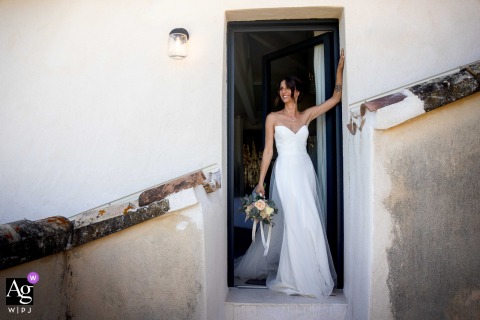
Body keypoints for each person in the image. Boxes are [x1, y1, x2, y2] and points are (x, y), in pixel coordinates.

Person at [235, 49, 345, 298]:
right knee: (293, 219)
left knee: (309, 219)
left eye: (287, 88)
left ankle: (313, 272)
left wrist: (339, 69)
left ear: (296, 91)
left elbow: (335, 99)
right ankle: (293, 274)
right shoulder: (272, 118)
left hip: (304, 170)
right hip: (284, 171)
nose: (283, 91)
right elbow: (267, 152)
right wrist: (261, 182)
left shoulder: (306, 115)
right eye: (281, 88)